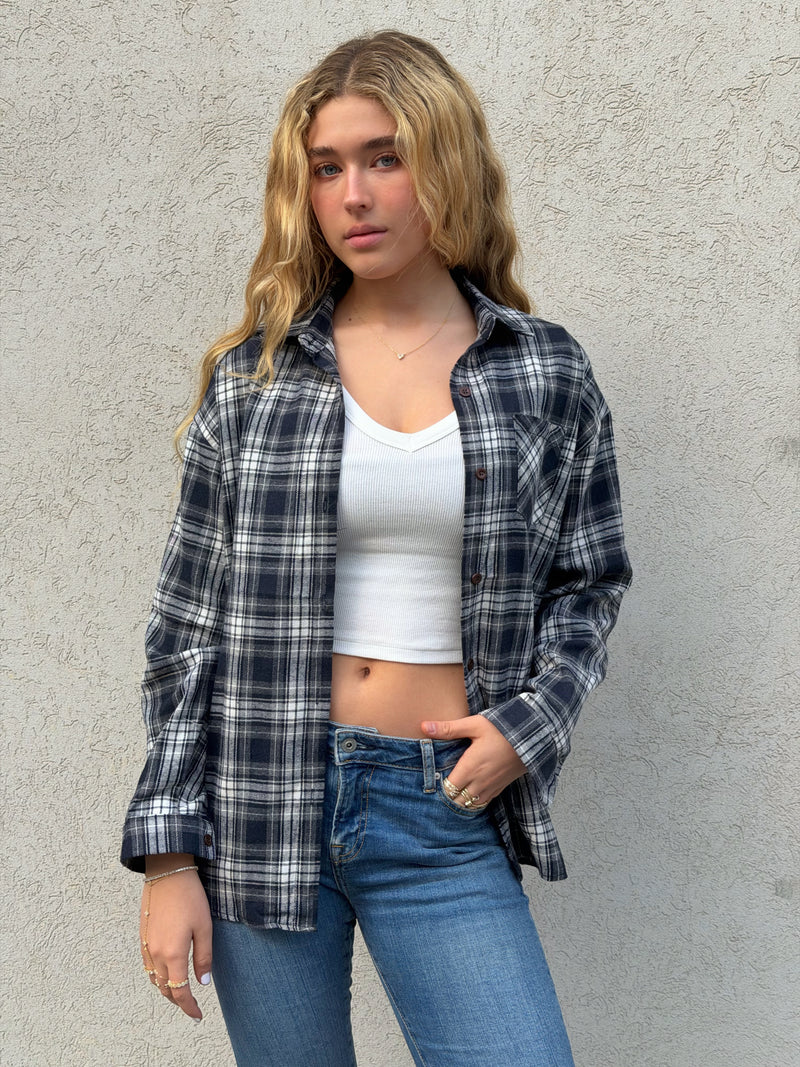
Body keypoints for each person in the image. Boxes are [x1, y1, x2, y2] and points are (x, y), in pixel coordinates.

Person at [121, 30, 631, 1067]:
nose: (353, 194)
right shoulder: (258, 376)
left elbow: (589, 581)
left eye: (384, 158)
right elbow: (185, 626)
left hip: (439, 803)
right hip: (261, 796)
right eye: (326, 167)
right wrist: (168, 857)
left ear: (445, 163)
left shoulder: (542, 371)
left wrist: (528, 725)